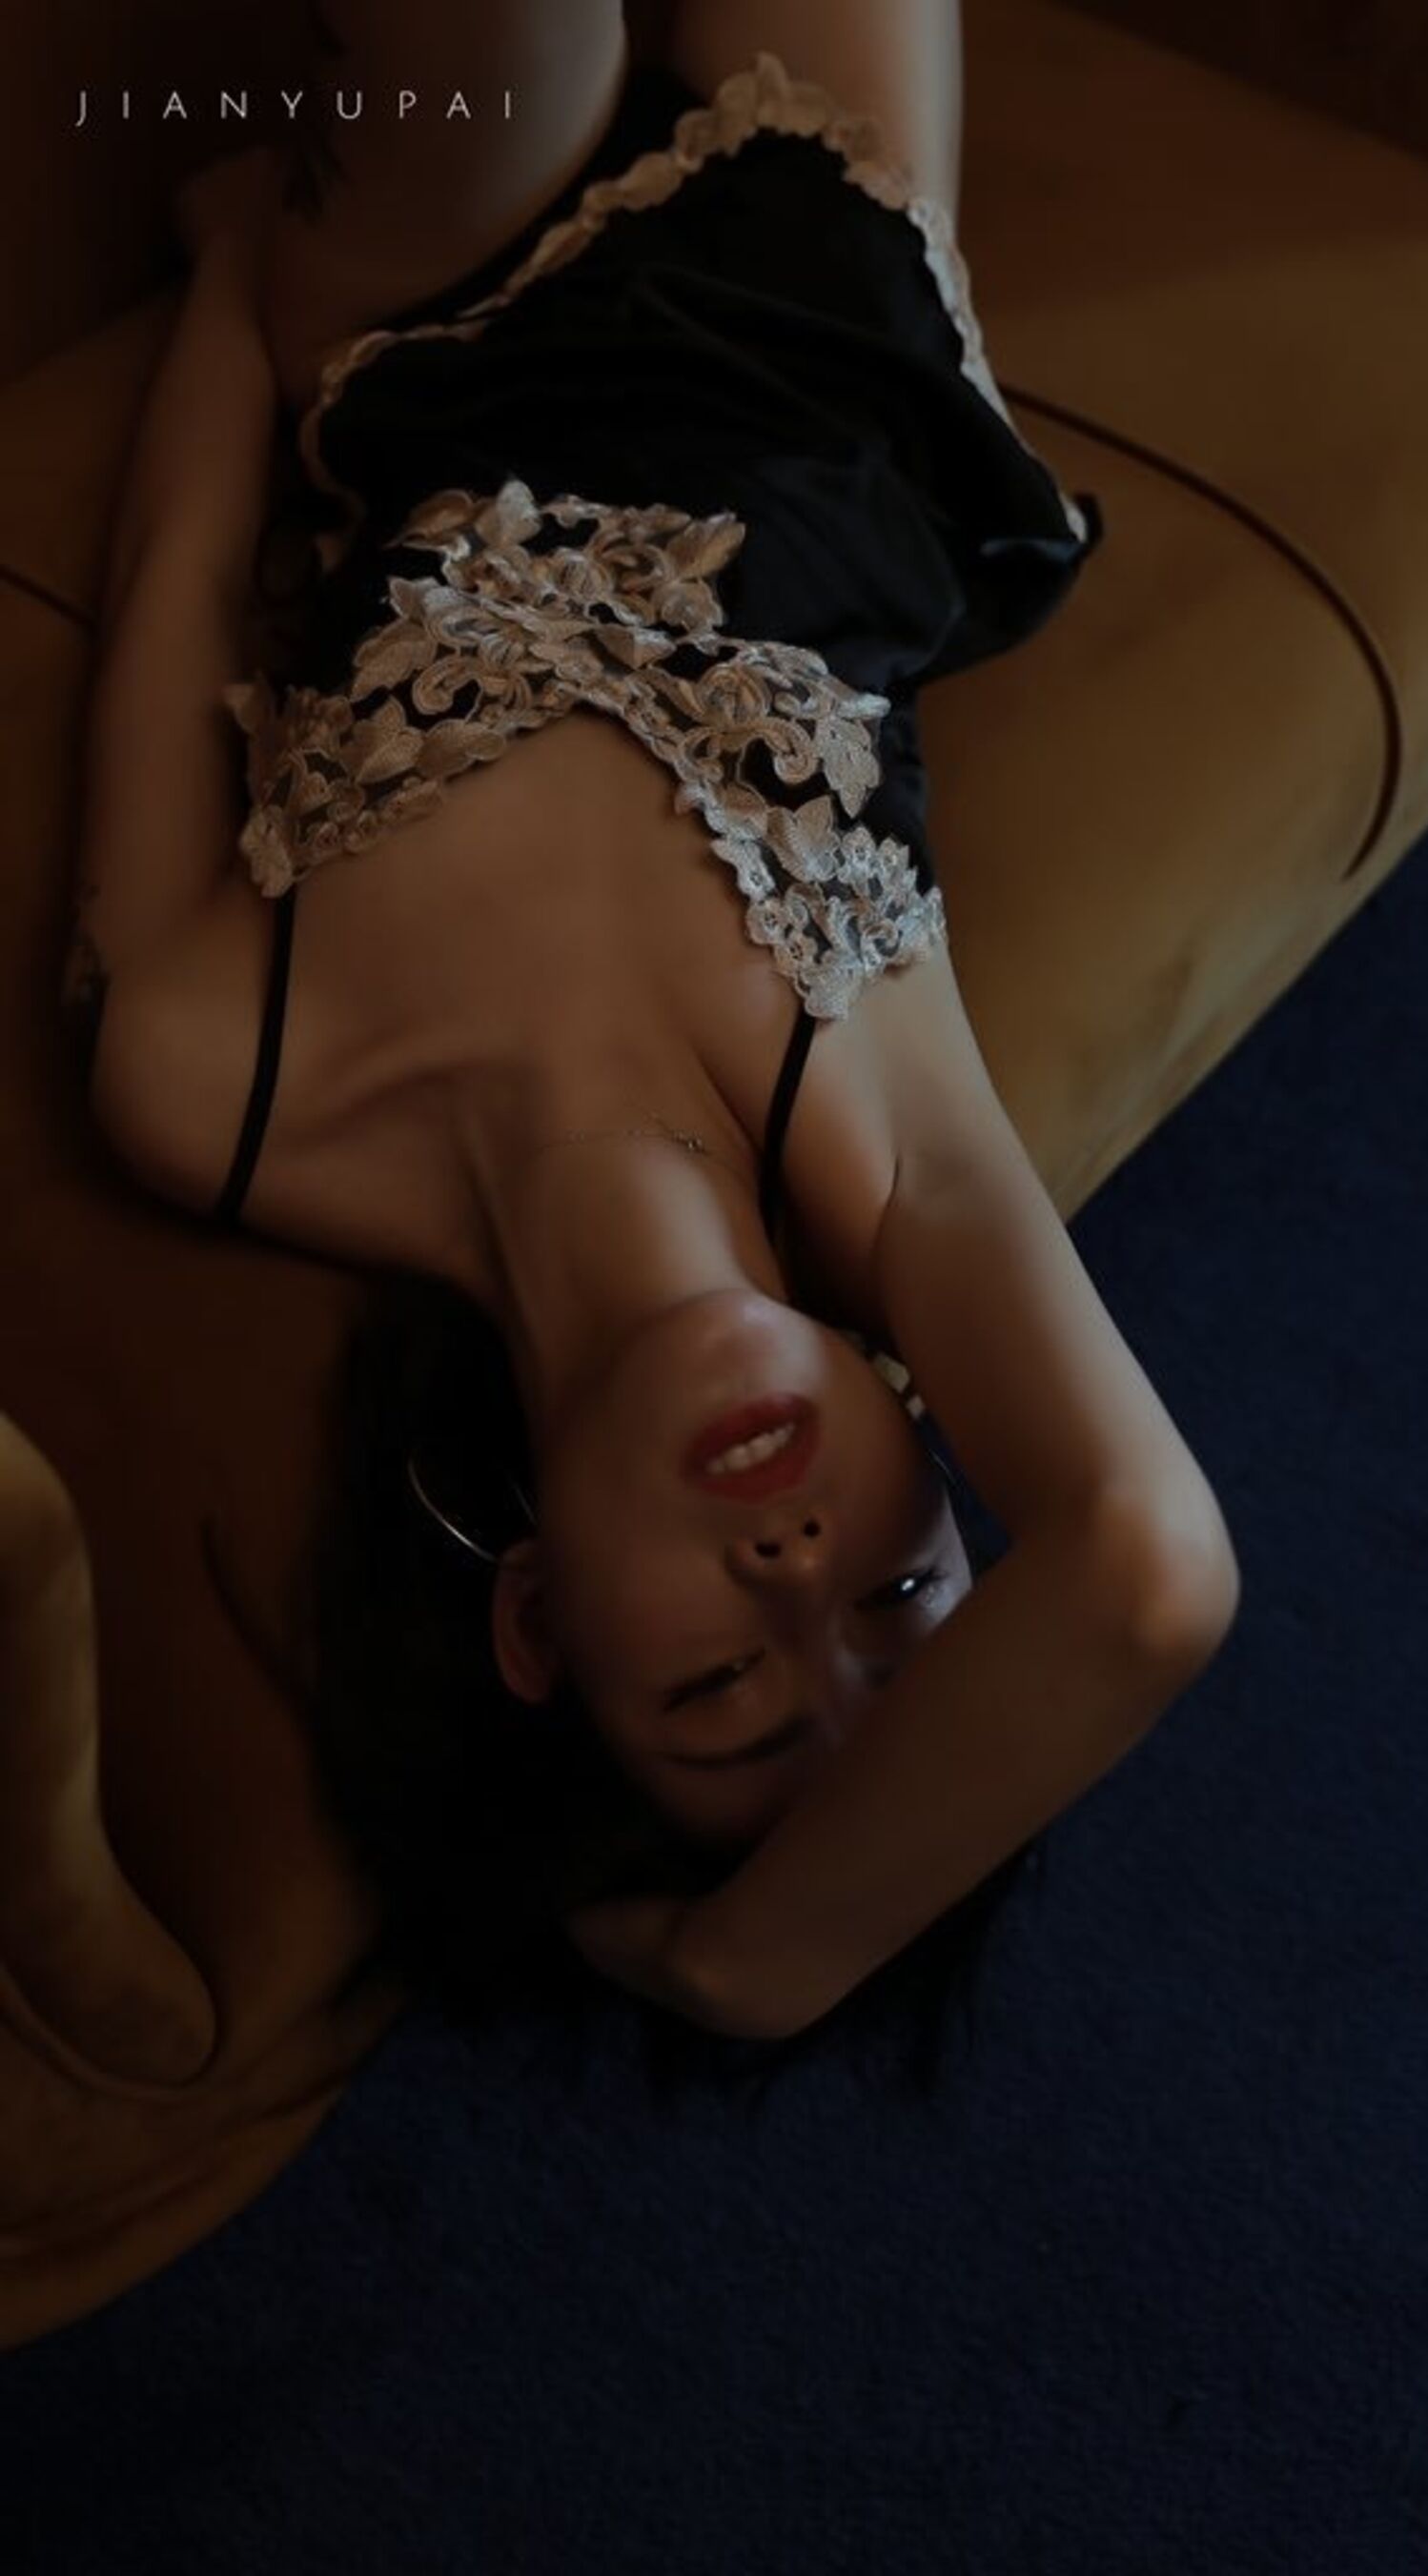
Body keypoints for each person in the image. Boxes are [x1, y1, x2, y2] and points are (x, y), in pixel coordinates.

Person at [66, 1, 1242, 2056]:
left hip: (441, 290)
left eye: (718, 1687)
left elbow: (175, 570)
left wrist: (241, 276)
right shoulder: (892, 1152)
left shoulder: (214, 1082)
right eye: (899, 1596)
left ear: (537, 1619)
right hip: (835, 242)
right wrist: (746, 1971)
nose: (795, 1565)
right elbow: (1146, 1569)